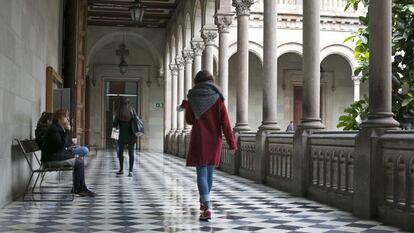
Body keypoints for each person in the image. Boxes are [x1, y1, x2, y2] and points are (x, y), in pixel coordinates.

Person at [180, 70, 237, 221]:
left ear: (196, 81)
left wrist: (187, 106)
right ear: (211, 81)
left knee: (201, 174)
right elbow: (225, 122)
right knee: (209, 174)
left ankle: (206, 206)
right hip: (214, 140)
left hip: (199, 139)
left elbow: (190, 121)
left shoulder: (192, 97)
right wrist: (232, 144)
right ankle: (205, 203)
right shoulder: (218, 97)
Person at [41, 109, 96, 197]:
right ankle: (79, 189)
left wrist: (67, 131)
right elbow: (61, 147)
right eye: (65, 117)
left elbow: (66, 143)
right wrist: (67, 130)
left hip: (54, 157)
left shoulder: (58, 128)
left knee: (79, 160)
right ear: (59, 119)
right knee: (79, 162)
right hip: (51, 160)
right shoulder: (54, 130)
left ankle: (80, 188)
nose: (67, 119)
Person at [113, 97, 137, 177]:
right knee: (131, 153)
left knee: (120, 152)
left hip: (122, 136)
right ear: (128, 103)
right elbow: (136, 121)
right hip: (131, 135)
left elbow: (115, 124)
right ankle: (130, 171)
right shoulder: (132, 110)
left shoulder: (119, 112)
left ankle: (121, 169)